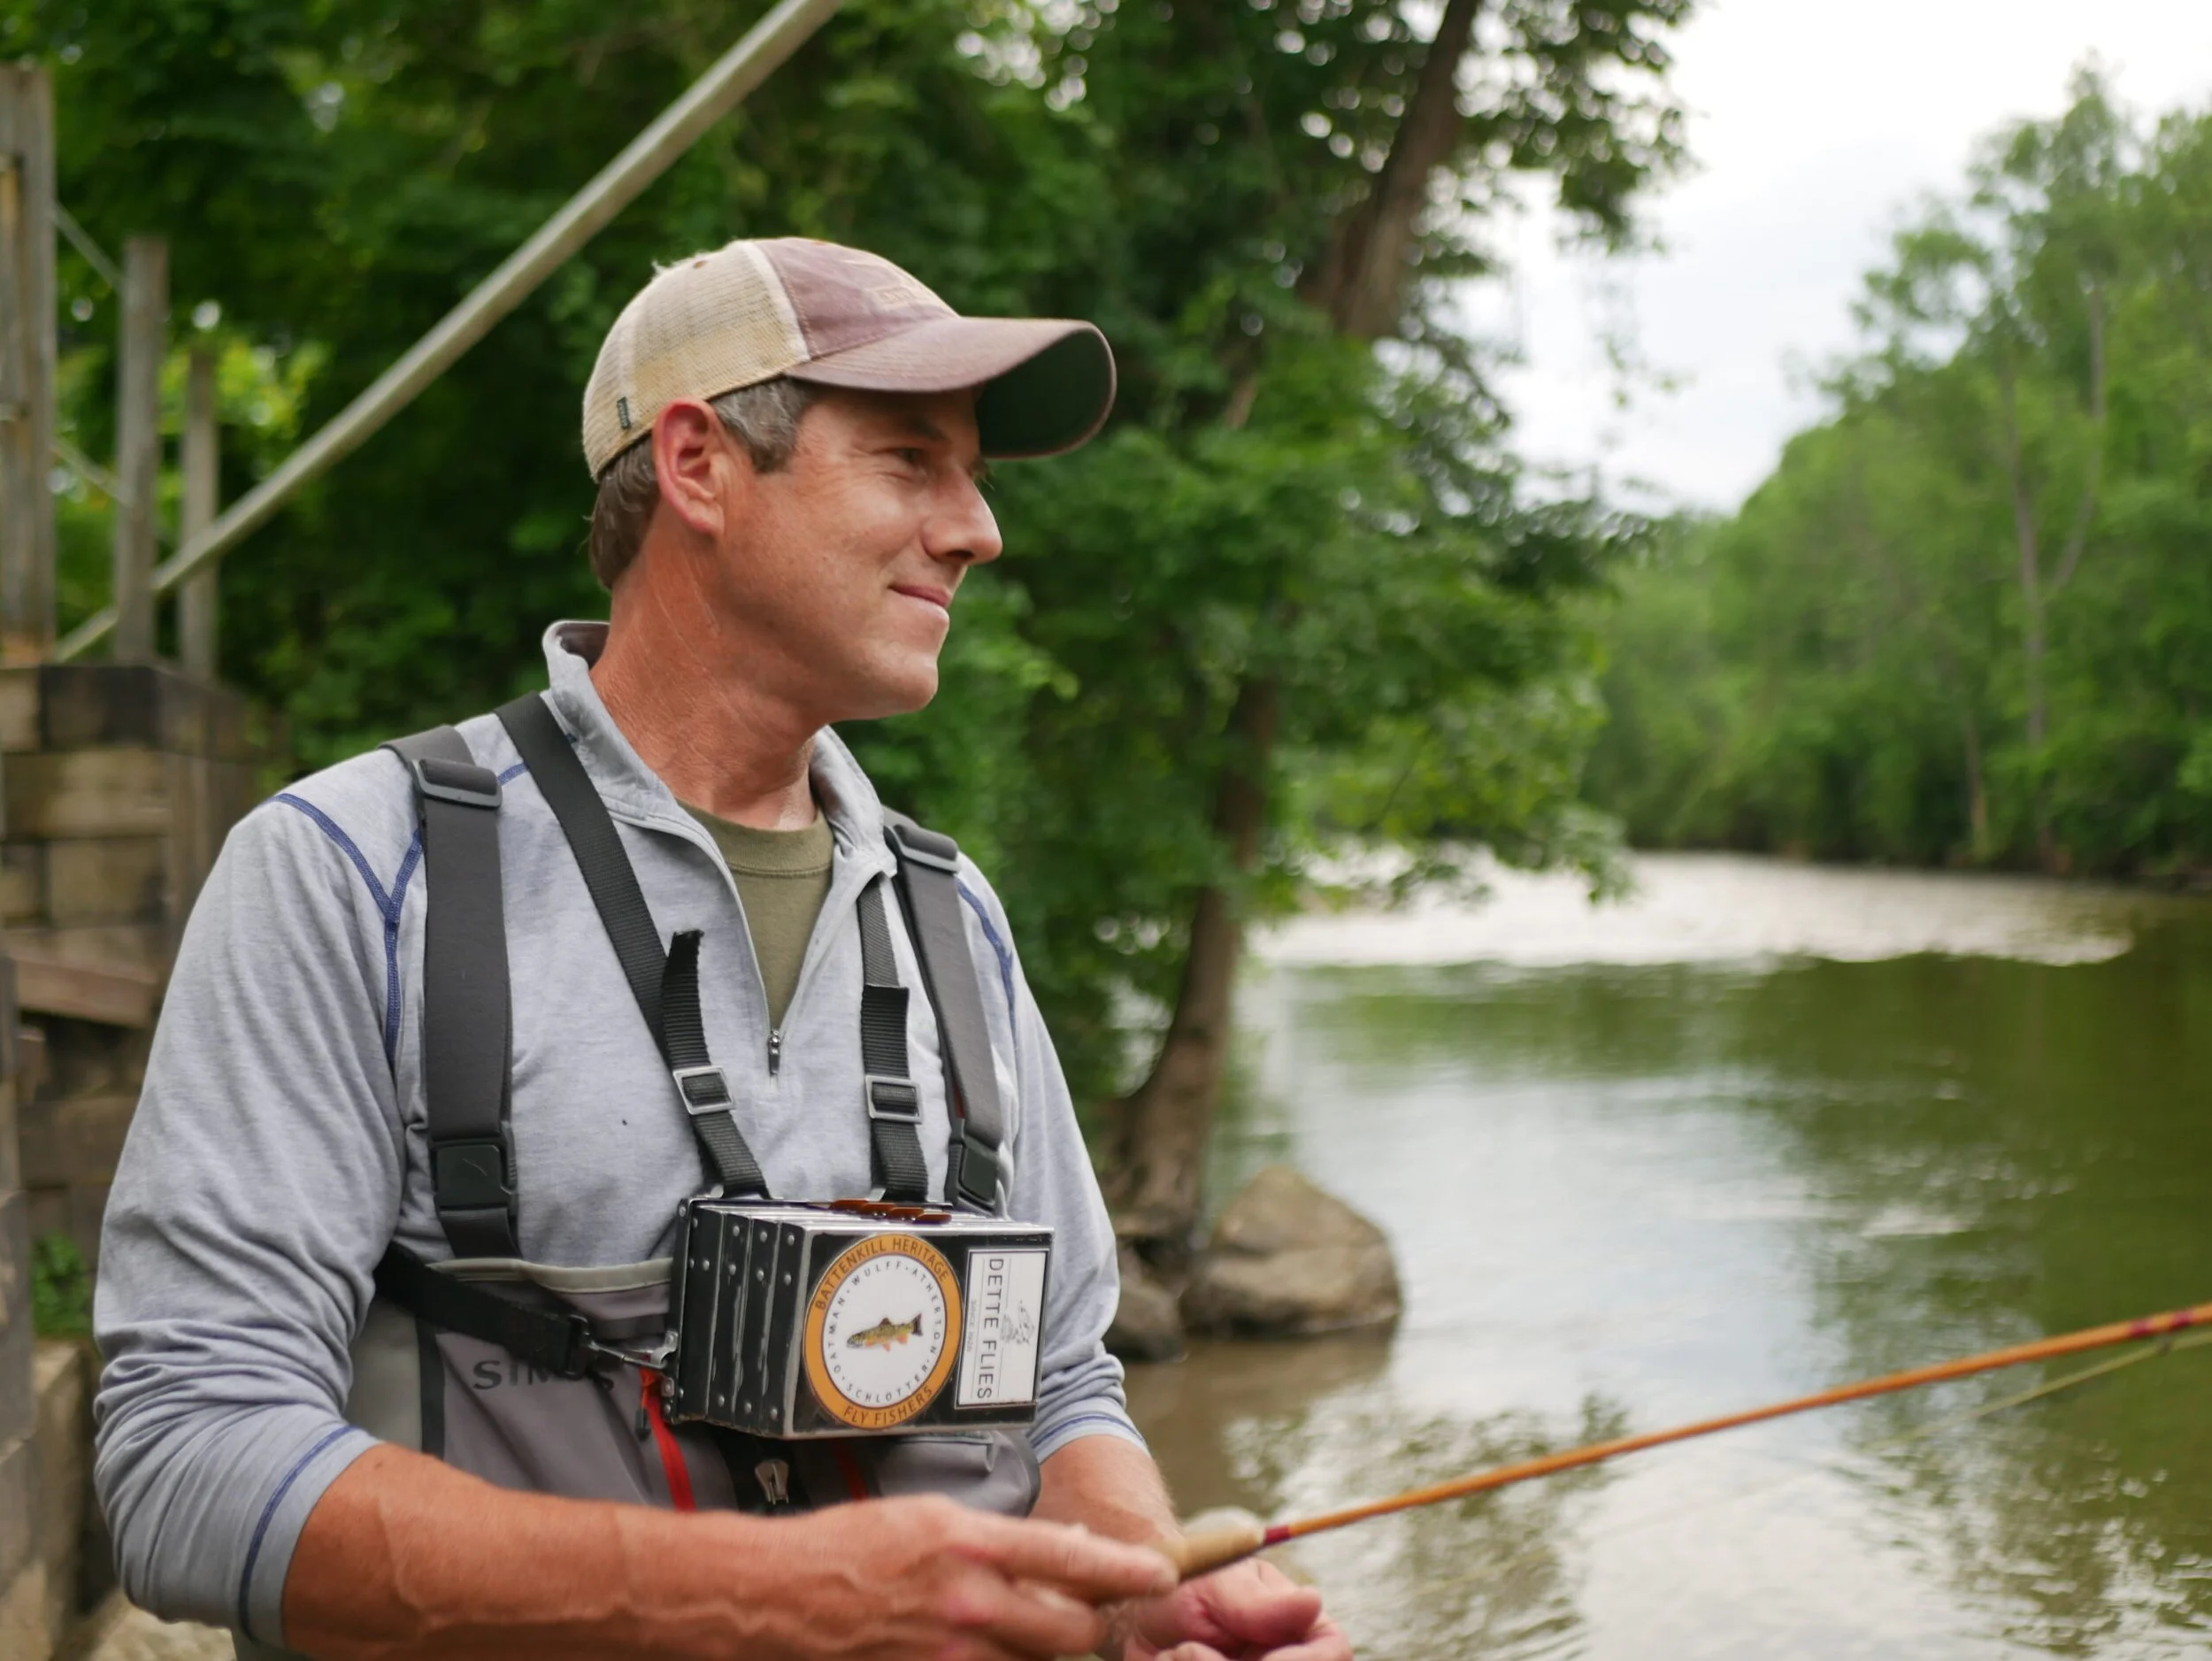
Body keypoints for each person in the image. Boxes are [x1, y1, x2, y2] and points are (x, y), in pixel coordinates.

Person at [91, 236, 1352, 1661]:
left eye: (976, 475)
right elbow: (185, 1466)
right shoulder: (355, 871)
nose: (977, 529)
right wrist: (765, 1598)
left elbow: (1061, 1385)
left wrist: (1133, 1595)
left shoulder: (955, 916)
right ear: (698, 465)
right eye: (911, 460)